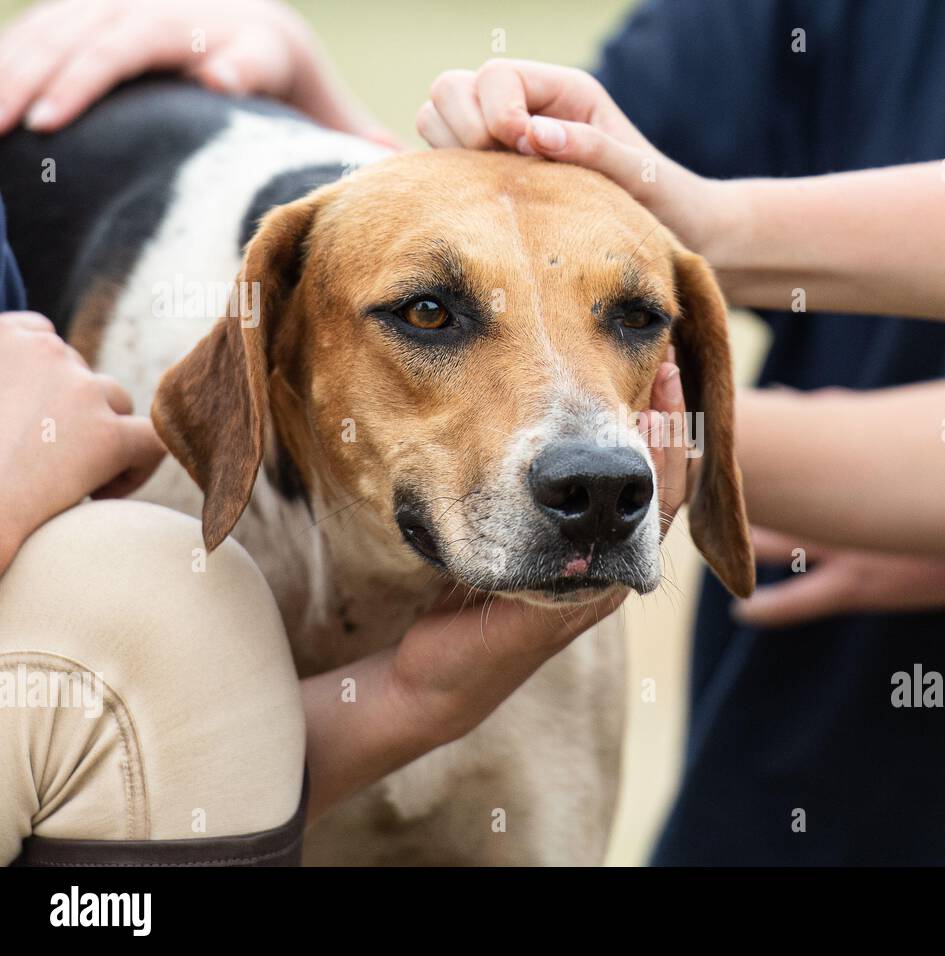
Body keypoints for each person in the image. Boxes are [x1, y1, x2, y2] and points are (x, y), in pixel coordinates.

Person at [9, 0, 945, 865]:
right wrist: (315, 90)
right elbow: (516, 213)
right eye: (434, 318)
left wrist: (699, 436)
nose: (598, 442)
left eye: (639, 320)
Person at [0, 7, 689, 859]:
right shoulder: (144, 511)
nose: (597, 461)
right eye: (431, 314)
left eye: (629, 318)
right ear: (270, 347)